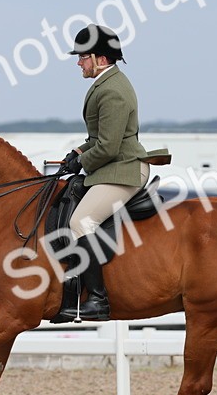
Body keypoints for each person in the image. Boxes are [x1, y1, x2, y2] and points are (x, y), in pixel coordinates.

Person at [54, 24, 167, 322]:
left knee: (81, 222)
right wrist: (76, 153)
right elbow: (97, 139)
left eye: (82, 57)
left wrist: (83, 162)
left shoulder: (114, 90)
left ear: (100, 59)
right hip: (112, 166)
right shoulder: (106, 84)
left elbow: (108, 147)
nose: (78, 62)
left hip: (123, 170)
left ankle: (98, 300)